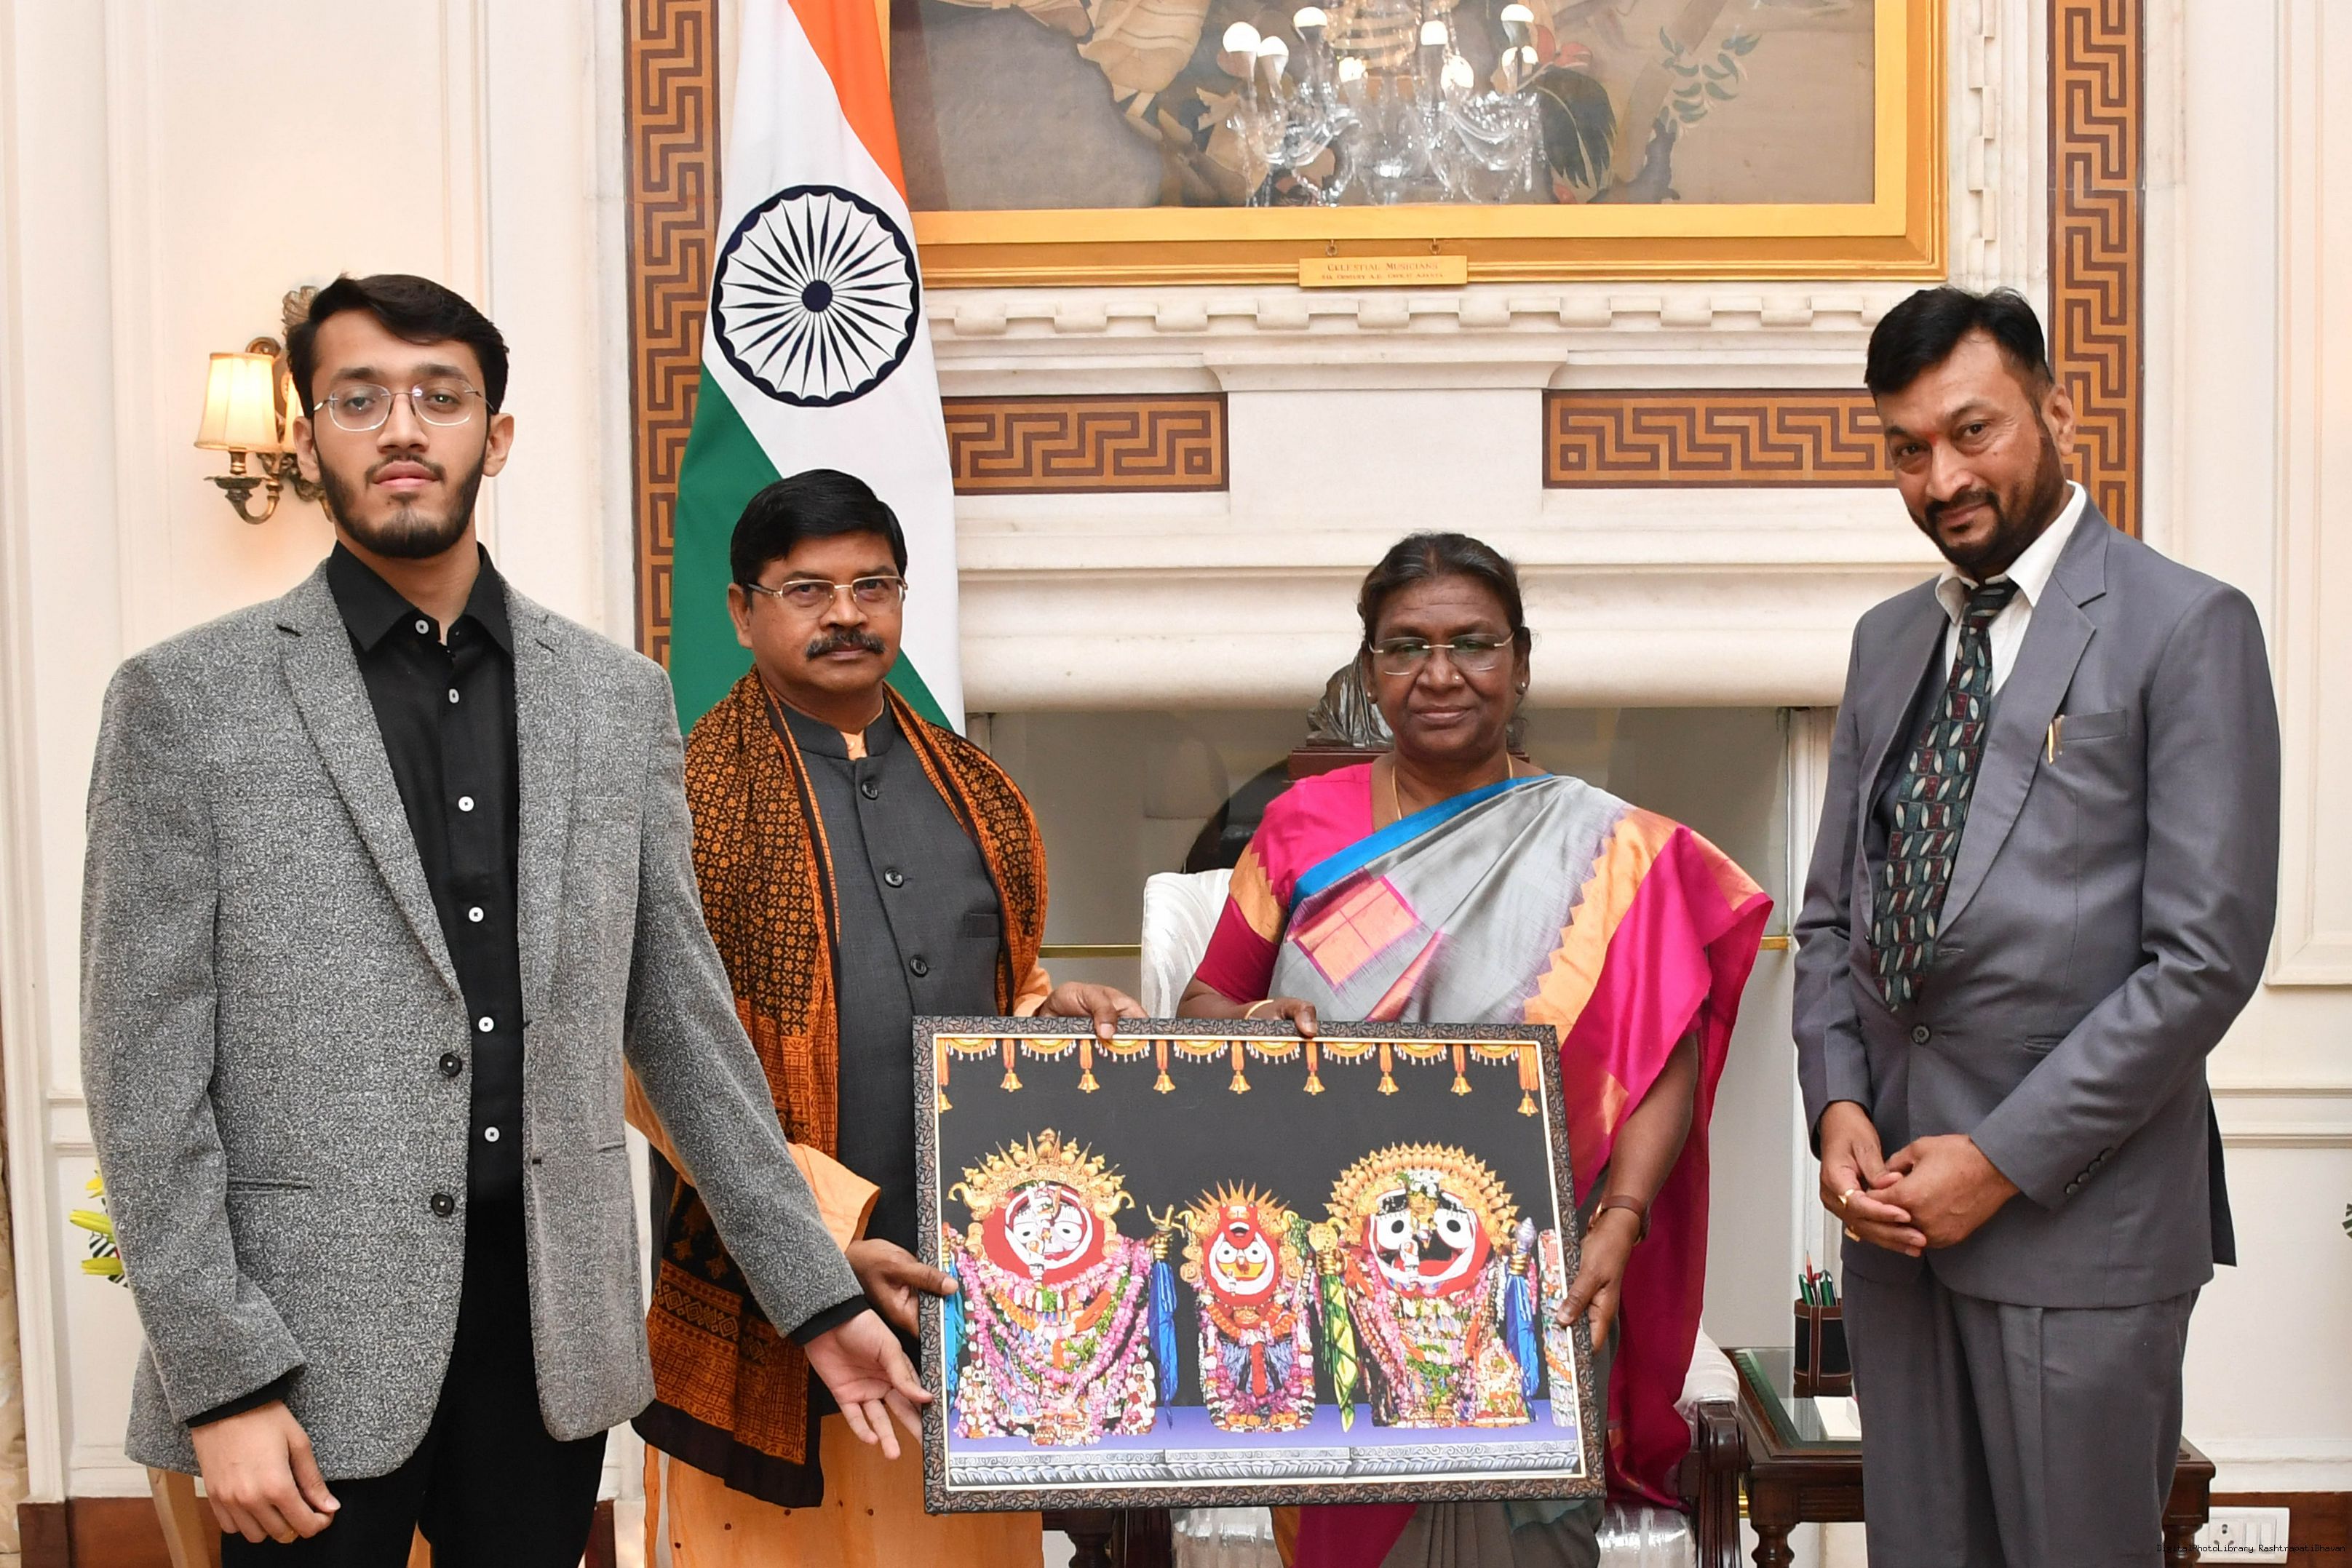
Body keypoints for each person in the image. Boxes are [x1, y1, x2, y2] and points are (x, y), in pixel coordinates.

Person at [79, 276, 926, 1565]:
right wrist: (222, 1377)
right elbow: (142, 1074)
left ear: (498, 434)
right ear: (306, 438)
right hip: (302, 1352)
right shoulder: (185, 701)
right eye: (359, 398)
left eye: (441, 397)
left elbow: (683, 1030)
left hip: (550, 1343)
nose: (400, 428)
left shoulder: (615, 700)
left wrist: (812, 1295)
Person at [1794, 286, 2280, 1565]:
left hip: (2081, 1228)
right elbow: (1832, 917)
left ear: (2057, 413)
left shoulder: (2189, 626)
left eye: (1974, 431)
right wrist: (1837, 1107)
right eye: (1908, 448)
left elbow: (2203, 962)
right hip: (1895, 1231)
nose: (1943, 478)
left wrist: (1998, 1162)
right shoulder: (1888, 641)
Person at [1178, 532, 1771, 1568]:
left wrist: (1621, 1223)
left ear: (1520, 662)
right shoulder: (1301, 827)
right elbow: (1205, 1005)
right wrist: (1247, 1027)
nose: (1440, 673)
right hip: (1328, 1275)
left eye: (1473, 644)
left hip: (1533, 1278)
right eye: (1406, 647)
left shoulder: (1608, 851)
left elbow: (1660, 1058)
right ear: (1371, 669)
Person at [627, 469, 1143, 1567]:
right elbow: (641, 1057)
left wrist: (1049, 1011)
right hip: (763, 1295)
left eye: (873, 586)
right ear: (742, 611)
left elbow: (995, 987)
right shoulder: (681, 798)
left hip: (972, 1285)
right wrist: (818, 1227)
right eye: (808, 590)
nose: (847, 614)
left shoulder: (977, 791)